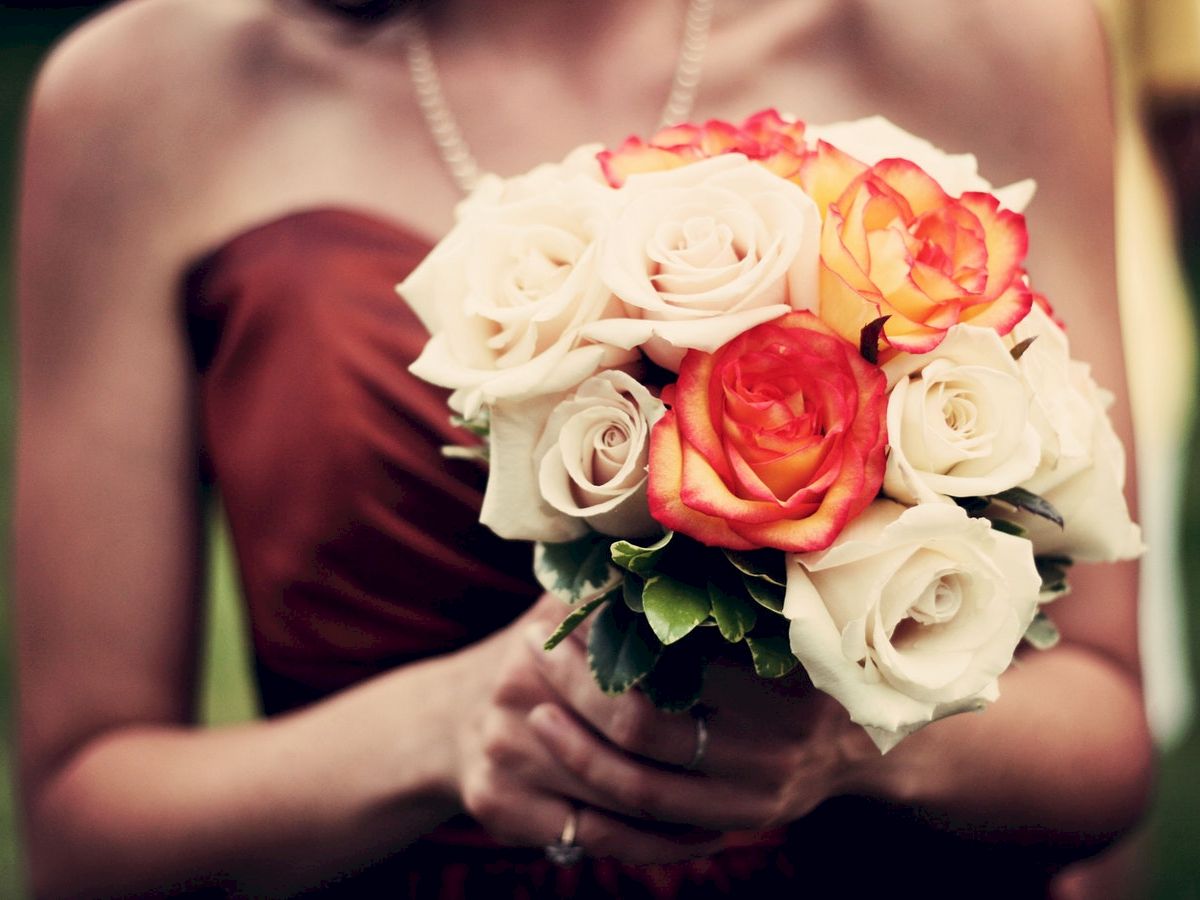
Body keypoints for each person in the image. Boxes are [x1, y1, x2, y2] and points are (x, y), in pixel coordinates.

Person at [12, 0, 1153, 896]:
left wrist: (858, 742)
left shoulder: (979, 33)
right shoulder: (145, 92)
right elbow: (81, 835)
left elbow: (1099, 734)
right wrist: (443, 728)